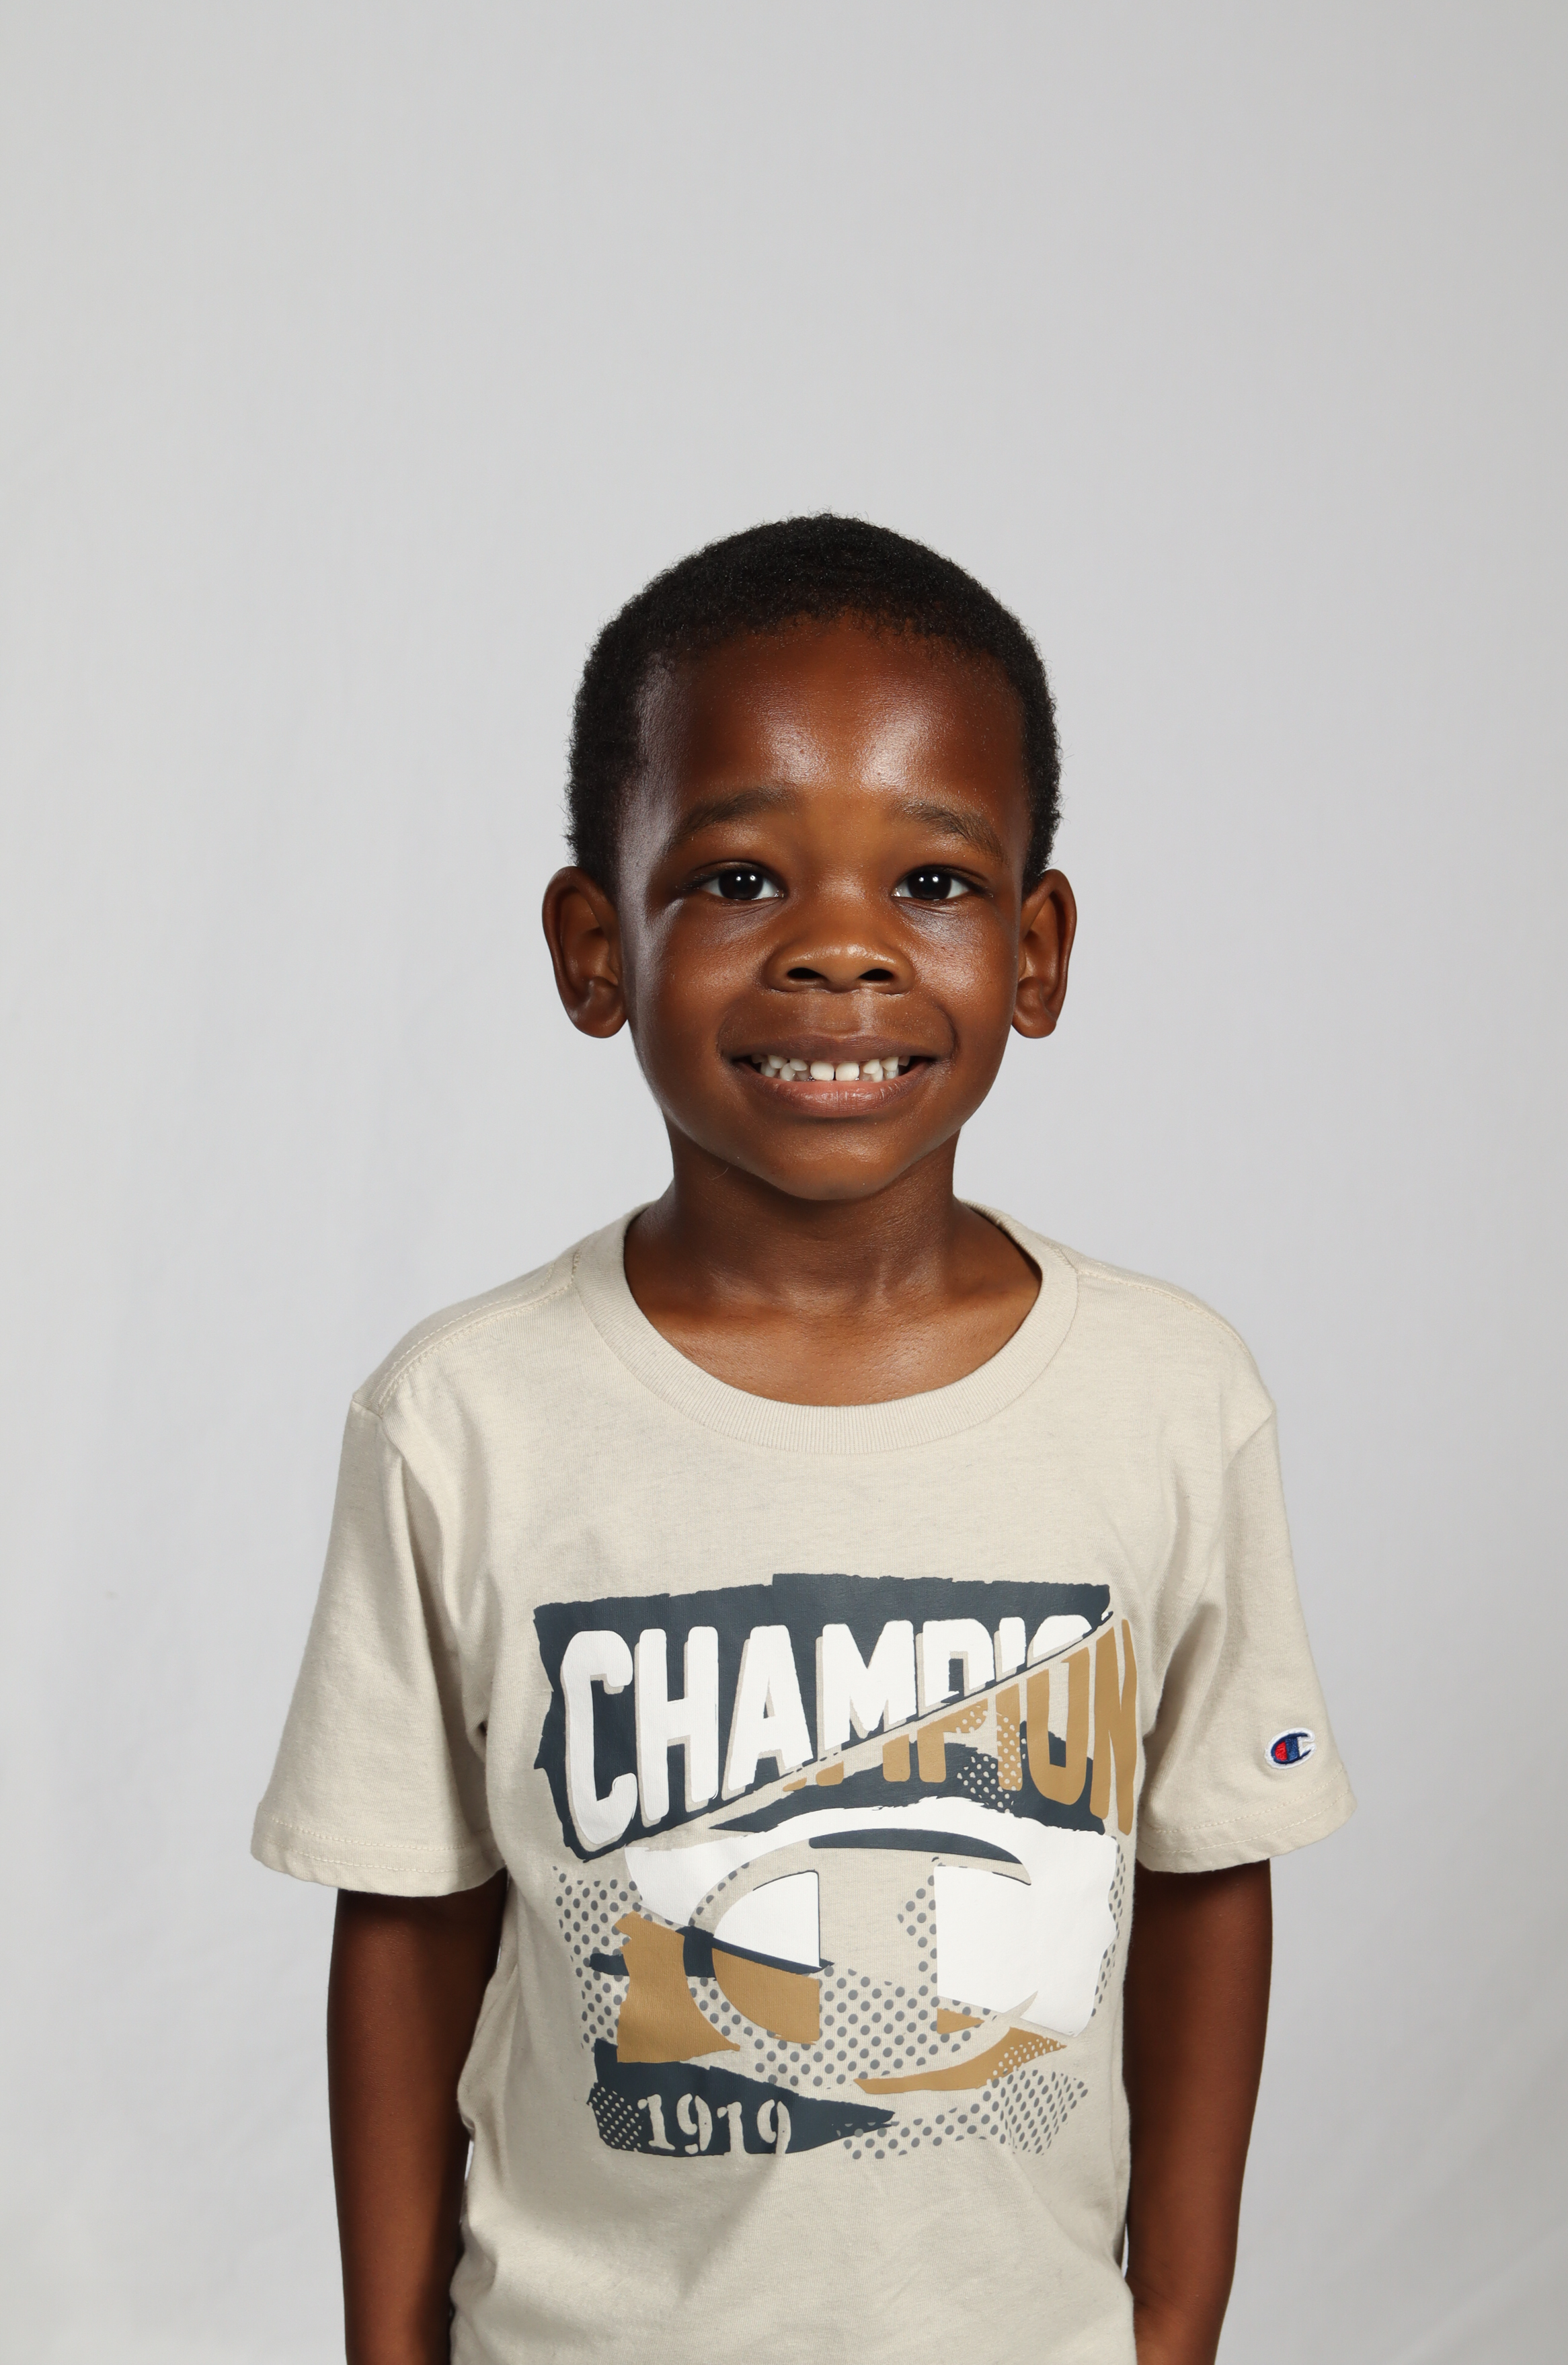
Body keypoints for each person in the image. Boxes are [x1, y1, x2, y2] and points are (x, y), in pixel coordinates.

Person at [253, 514, 1354, 2365]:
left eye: (931, 880)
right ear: (595, 947)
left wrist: (1172, 2329)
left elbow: (1206, 1869)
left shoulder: (1169, 1394)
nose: (842, 950)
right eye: (743, 878)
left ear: (1036, 951)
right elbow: (413, 1921)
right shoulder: (464, 1416)